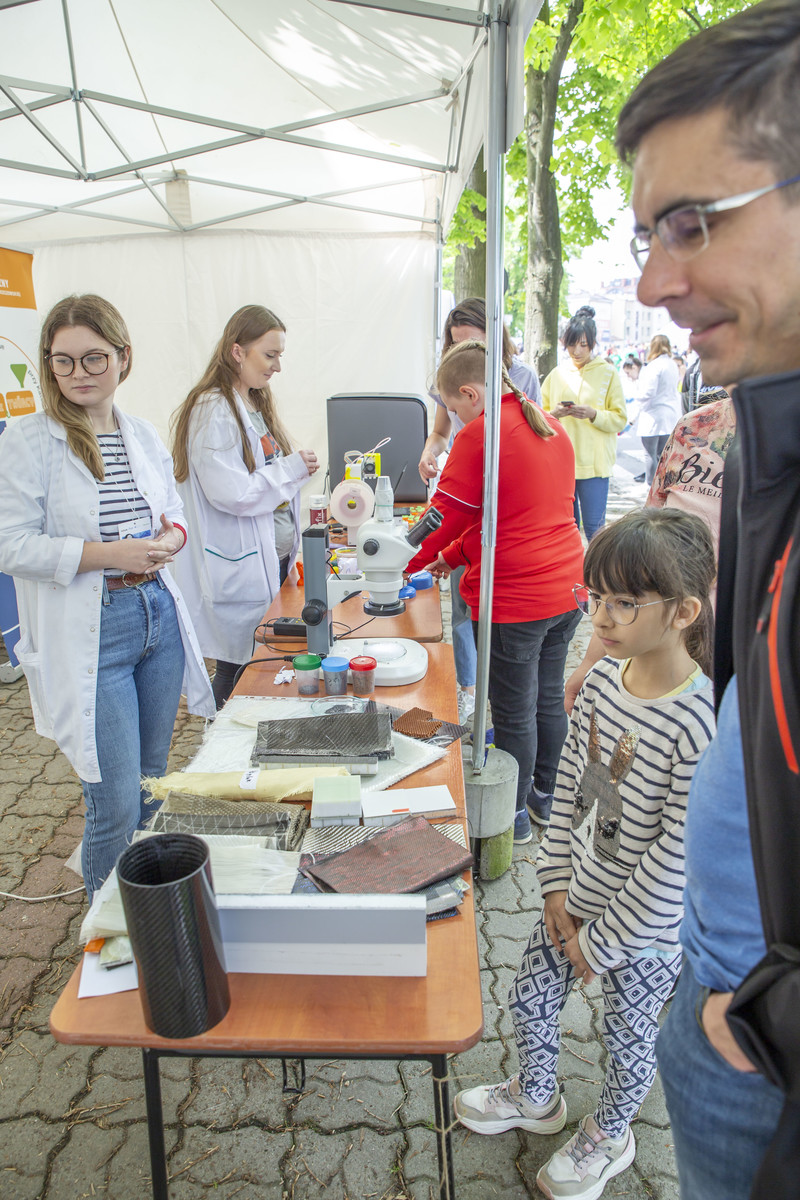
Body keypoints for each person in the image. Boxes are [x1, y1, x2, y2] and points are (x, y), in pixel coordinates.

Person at [615, 2, 800, 1195]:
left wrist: (762, 1019)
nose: (650, 282)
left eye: (690, 222)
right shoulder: (761, 437)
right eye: (647, 233)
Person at [454, 508, 716, 1200]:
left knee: (628, 1042)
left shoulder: (700, 722)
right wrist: (552, 888)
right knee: (529, 995)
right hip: (570, 901)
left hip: (645, 935)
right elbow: (569, 787)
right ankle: (536, 1094)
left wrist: (600, 944)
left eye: (623, 602)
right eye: (594, 596)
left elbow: (675, 857)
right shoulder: (601, 682)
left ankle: (612, 1133)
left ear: (684, 611)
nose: (600, 617)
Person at [0, 294, 214, 901]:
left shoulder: (139, 432)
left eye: (93, 358)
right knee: (114, 800)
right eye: (63, 361)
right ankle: (104, 932)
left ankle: (147, 913)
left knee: (151, 780)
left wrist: (170, 539)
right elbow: (11, 544)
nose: (79, 374)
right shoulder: (29, 440)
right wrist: (111, 554)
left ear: (123, 357)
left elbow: (172, 512)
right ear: (49, 364)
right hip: (95, 626)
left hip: (156, 615)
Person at [407, 340, 584, 845]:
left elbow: (444, 516)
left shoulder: (481, 434)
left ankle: (513, 815)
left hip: (518, 600)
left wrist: (402, 564)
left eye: (453, 408)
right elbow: (506, 518)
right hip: (567, 589)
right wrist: (452, 557)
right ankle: (545, 795)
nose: (455, 419)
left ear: (469, 393)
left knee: (512, 712)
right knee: (547, 697)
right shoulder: (547, 426)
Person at [171, 305, 319, 708]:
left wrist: (293, 471)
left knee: (252, 664)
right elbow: (232, 492)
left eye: (279, 356)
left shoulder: (251, 402)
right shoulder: (212, 408)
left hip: (269, 559)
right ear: (237, 351)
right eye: (269, 355)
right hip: (239, 564)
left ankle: (243, 730)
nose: (277, 366)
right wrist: (291, 468)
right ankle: (220, 737)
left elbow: (264, 476)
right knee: (236, 668)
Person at [418, 298, 541, 722]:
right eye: (454, 343)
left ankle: (499, 696)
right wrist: (431, 451)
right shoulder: (453, 380)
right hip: (469, 498)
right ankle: (469, 688)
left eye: (471, 341)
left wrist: (407, 563)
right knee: (462, 601)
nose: (463, 349)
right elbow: (441, 432)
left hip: (503, 510)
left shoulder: (521, 381)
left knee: (496, 609)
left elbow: (531, 437)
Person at [541, 306, 627, 542]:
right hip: (561, 463)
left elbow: (620, 418)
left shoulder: (608, 373)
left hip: (594, 466)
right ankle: (572, 567)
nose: (577, 351)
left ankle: (597, 567)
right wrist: (555, 413)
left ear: (593, 344)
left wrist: (594, 414)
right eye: (572, 344)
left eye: (583, 345)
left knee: (594, 529)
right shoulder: (557, 374)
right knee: (566, 529)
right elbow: (539, 415)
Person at [636, 334, 680, 485]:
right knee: (662, 454)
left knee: (650, 454)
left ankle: (650, 486)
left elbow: (648, 392)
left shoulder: (654, 366)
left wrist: (636, 400)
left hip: (653, 413)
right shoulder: (672, 364)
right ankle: (660, 485)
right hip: (670, 413)